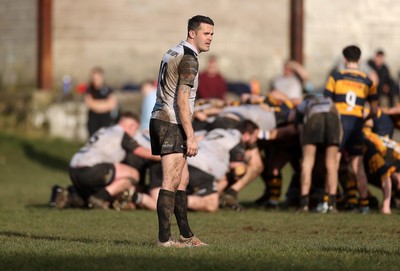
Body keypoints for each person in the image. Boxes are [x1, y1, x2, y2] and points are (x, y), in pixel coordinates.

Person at [149, 15, 214, 247]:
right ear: (192, 33)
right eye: (206, 33)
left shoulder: (174, 51)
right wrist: (191, 136)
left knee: (183, 179)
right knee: (171, 179)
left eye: (212, 34)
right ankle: (164, 240)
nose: (210, 38)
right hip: (170, 122)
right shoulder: (189, 60)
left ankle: (185, 235)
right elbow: (181, 102)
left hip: (163, 119)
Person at [324, 45, 378, 213]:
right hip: (356, 124)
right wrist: (364, 118)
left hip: (339, 123)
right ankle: (364, 204)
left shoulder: (336, 77)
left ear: (344, 59)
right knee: (357, 165)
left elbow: (327, 103)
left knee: (333, 162)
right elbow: (375, 111)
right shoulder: (368, 81)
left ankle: (329, 203)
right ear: (359, 60)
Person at [69, 112, 159, 209]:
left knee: (114, 176)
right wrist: (165, 156)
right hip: (91, 169)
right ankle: (99, 198)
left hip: (73, 169)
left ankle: (72, 195)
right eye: (135, 130)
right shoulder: (122, 134)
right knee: (133, 174)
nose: (135, 134)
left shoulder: (104, 129)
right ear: (132, 126)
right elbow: (141, 151)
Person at [295, 95, 342, 213]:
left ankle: (304, 204)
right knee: (331, 163)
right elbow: (340, 127)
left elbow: (299, 125)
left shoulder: (305, 103)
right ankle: (332, 205)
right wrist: (339, 146)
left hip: (314, 118)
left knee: (307, 162)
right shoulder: (330, 101)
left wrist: (303, 145)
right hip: (333, 117)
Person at [84, 67, 118, 136]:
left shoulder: (108, 89)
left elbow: (112, 104)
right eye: (94, 78)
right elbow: (90, 104)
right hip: (93, 121)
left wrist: (97, 104)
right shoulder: (89, 90)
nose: (96, 80)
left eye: (97, 78)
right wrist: (104, 104)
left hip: (106, 121)